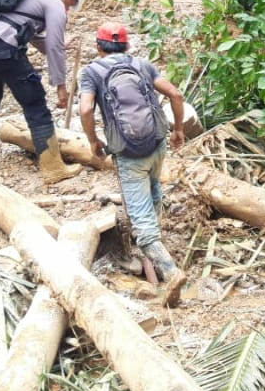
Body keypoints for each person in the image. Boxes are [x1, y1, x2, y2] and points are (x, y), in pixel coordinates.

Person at [78, 21, 188, 305]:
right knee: (153, 188)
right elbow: (175, 94)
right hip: (157, 142)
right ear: (127, 45)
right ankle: (155, 237)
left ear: (98, 46)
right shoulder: (142, 65)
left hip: (128, 152)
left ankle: (169, 269)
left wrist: (92, 140)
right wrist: (178, 130)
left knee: (140, 220)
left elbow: (87, 108)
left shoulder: (92, 72)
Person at [0, 0, 87, 184]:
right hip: (2, 48)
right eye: (71, 5)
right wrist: (61, 87)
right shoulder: (54, 4)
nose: (68, 10)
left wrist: (56, 45)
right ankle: (53, 168)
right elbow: (55, 47)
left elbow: (31, 35)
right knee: (35, 104)